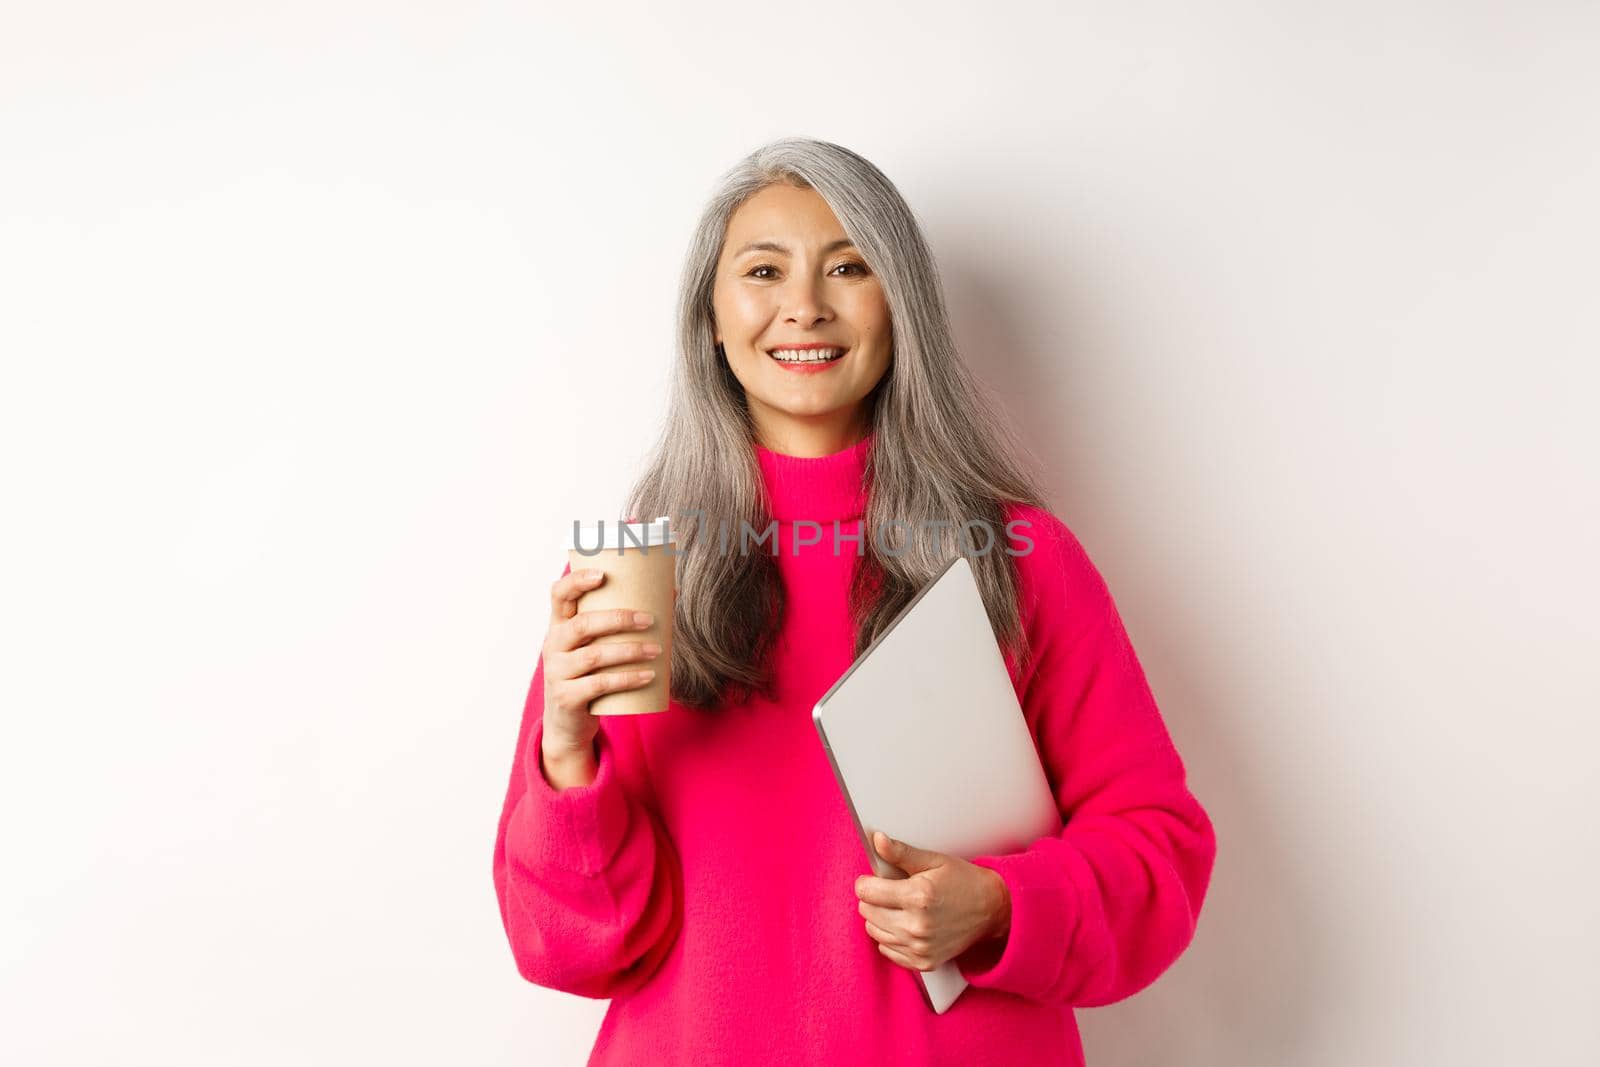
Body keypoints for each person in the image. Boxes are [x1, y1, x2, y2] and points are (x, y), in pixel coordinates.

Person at [491, 137, 1217, 1066]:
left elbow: (1162, 855)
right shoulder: (639, 572)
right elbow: (570, 945)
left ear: (900, 306)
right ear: (710, 318)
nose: (805, 305)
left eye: (849, 265)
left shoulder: (1019, 556)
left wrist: (1002, 905)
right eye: (763, 270)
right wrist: (564, 751)